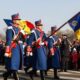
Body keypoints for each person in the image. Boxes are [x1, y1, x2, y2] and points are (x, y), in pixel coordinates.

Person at [3, 13, 24, 80]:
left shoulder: (19, 29)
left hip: (19, 48)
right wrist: (7, 50)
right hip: (14, 48)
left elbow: (23, 40)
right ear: (14, 20)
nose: (18, 21)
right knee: (14, 66)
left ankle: (5, 75)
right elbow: (9, 40)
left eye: (19, 19)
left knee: (16, 65)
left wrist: (23, 35)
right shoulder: (10, 28)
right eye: (17, 19)